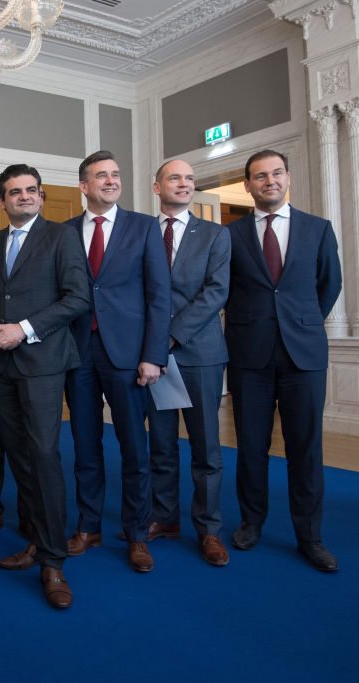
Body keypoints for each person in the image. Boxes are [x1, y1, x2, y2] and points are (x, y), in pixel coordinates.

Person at [0, 164, 89, 608]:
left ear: (40, 197)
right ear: (2, 200)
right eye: (15, 192)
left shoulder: (62, 238)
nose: (24, 196)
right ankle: (37, 540)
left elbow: (77, 298)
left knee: (43, 457)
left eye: (31, 191)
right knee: (19, 459)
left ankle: (54, 562)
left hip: (42, 363)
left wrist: (22, 328)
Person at [225, 149, 342, 572]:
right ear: (248, 185)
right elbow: (224, 289)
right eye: (259, 176)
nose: (269, 181)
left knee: (305, 450)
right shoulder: (231, 235)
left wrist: (301, 321)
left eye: (276, 173)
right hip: (249, 357)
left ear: (287, 177)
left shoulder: (318, 229)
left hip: (304, 356)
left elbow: (329, 285)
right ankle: (251, 524)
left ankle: (309, 536)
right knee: (251, 448)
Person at [63, 150, 170, 573]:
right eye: (100, 176)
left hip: (129, 356)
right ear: (83, 186)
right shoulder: (65, 232)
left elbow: (159, 297)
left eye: (115, 175)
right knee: (85, 446)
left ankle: (138, 533)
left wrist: (153, 356)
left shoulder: (144, 227)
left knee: (134, 449)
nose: (110, 181)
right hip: (78, 354)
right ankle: (89, 526)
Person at [146, 159, 232, 567]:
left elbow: (216, 292)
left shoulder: (216, 235)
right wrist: (152, 346)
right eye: (175, 178)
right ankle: (164, 518)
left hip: (200, 354)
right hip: (154, 359)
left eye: (190, 179)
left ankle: (209, 529)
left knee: (206, 448)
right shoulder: (142, 232)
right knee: (161, 445)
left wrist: (171, 335)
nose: (184, 184)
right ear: (156, 186)